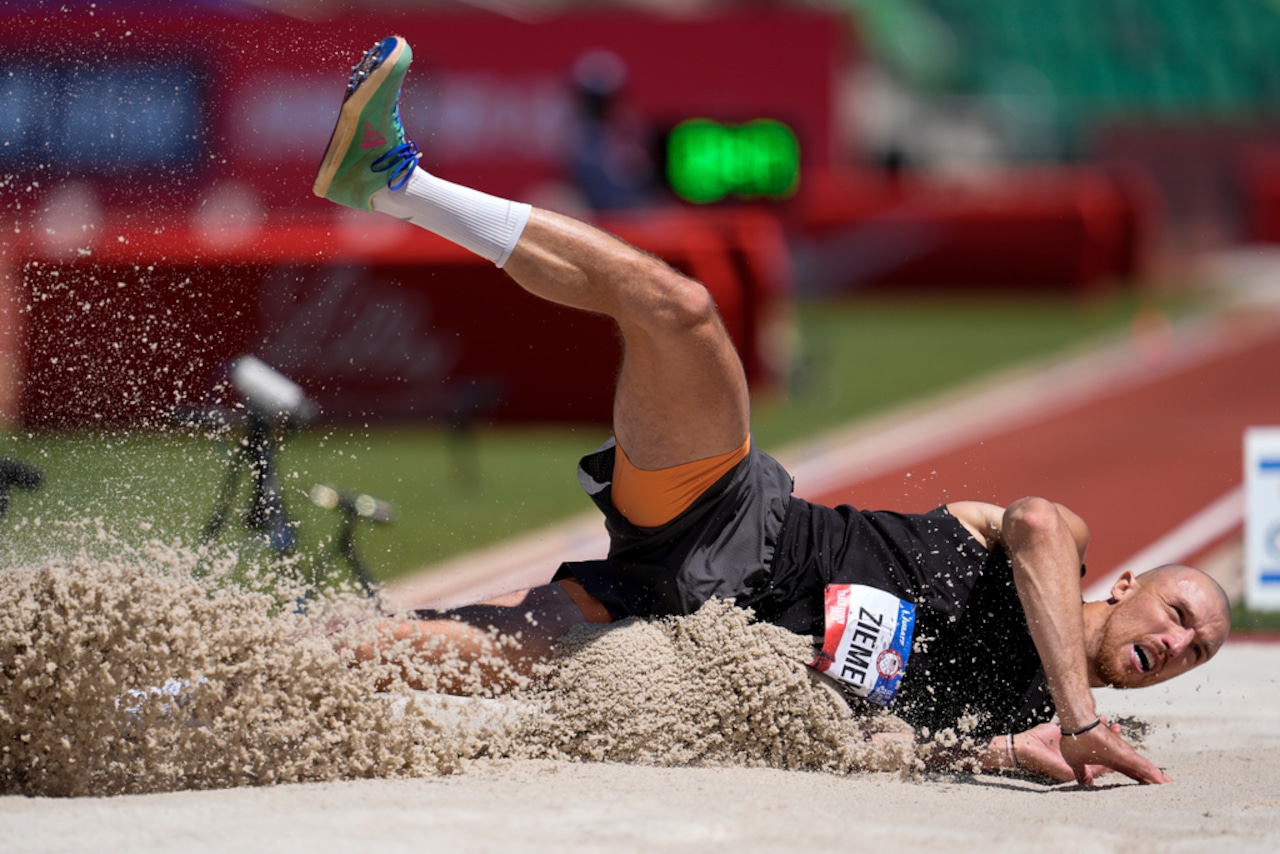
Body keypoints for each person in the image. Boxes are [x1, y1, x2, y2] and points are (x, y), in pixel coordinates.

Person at [312, 36, 1232, 787]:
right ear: (1129, 584)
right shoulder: (1057, 549)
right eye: (1183, 613)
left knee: (438, 648)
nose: (1181, 642)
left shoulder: (1028, 723)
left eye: (1197, 652)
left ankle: (216, 674)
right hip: (735, 526)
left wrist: (1003, 749)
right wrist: (1079, 720)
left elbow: (902, 745)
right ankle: (395, 180)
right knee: (680, 309)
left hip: (692, 642)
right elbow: (1030, 521)